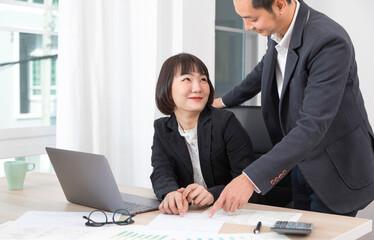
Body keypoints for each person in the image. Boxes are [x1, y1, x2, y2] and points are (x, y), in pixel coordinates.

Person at [209, 0, 374, 217]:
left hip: (335, 166)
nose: (247, 26)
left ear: (279, 5)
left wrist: (249, 179)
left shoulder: (329, 41)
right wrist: (223, 101)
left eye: (252, 18)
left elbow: (312, 125)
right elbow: (266, 68)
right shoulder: (277, 30)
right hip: (298, 161)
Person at [150, 53, 258, 216]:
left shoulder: (225, 122)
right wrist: (170, 193)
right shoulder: (162, 128)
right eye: (187, 79)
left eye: (203, 79)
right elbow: (161, 171)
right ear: (167, 87)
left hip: (232, 212)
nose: (198, 88)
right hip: (190, 216)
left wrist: (212, 194)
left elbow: (248, 179)